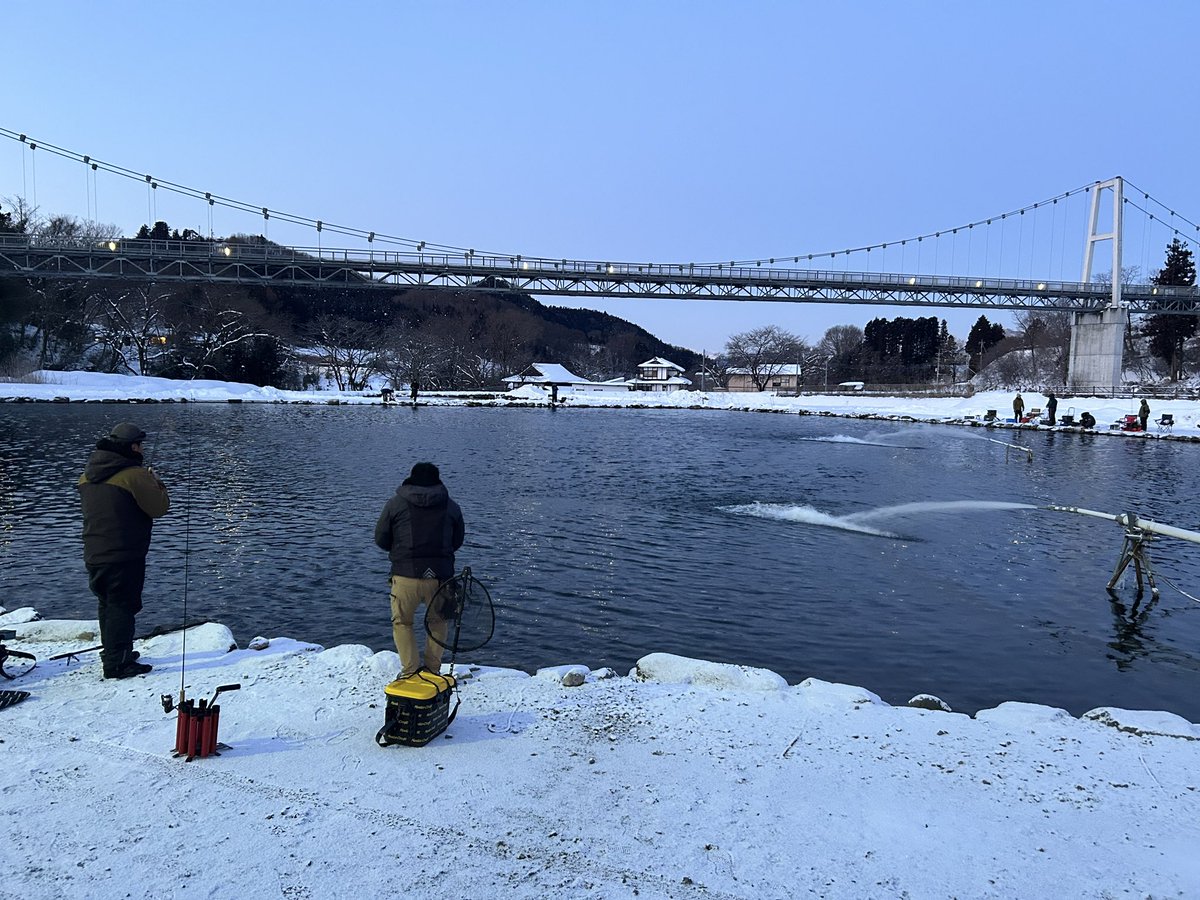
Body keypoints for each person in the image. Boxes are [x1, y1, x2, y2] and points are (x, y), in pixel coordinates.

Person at [77, 422, 170, 679]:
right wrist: (156, 483)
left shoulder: (87, 475)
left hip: (94, 550)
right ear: (132, 446)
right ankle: (118, 664)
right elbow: (160, 508)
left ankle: (117, 652)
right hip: (124, 553)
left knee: (107, 603)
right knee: (123, 605)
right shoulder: (134, 476)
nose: (142, 449)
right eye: (140, 445)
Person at [374, 462, 465, 679]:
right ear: (438, 480)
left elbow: (381, 538)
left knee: (403, 623)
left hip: (405, 576)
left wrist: (400, 552)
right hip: (441, 577)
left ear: (411, 478)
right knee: (438, 622)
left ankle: (410, 671)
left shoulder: (395, 504)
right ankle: (432, 671)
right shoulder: (451, 506)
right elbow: (457, 541)